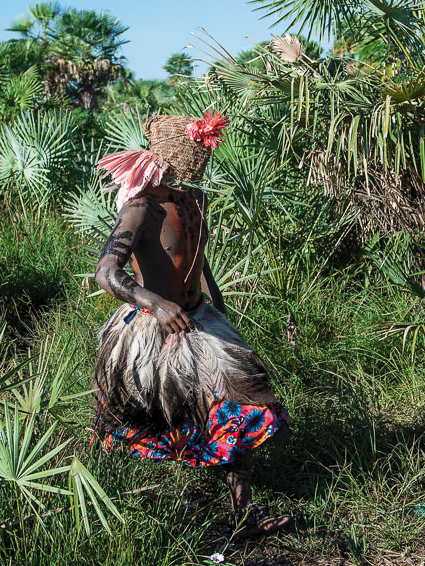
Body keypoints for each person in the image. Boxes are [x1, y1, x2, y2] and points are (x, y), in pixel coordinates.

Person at [91, 112, 293, 537]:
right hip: (152, 327)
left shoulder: (195, 199)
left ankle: (243, 516)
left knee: (238, 405)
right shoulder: (140, 208)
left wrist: (214, 307)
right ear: (167, 154)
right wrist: (156, 305)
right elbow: (107, 273)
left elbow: (198, 257)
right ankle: (115, 509)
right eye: (196, 150)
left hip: (200, 319)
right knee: (135, 415)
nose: (201, 159)